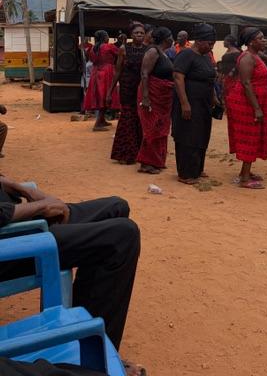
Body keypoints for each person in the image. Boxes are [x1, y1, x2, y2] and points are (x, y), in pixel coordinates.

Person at [0, 176, 141, 373]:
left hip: (18, 218)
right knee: (122, 237)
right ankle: (96, 359)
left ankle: (88, 343)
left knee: (117, 206)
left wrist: (24, 190)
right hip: (12, 238)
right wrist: (40, 207)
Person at [228, 28, 267, 189]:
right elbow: (246, 83)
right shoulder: (247, 57)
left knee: (254, 135)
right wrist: (257, 108)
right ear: (251, 42)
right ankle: (244, 180)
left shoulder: (256, 55)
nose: (264, 40)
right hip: (247, 102)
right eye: (260, 38)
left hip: (255, 100)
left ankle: (244, 172)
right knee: (249, 136)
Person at [172, 24, 217, 184]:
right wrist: (185, 103)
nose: (211, 47)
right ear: (198, 41)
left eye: (213, 44)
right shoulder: (186, 55)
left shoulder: (206, 56)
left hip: (204, 104)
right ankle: (185, 173)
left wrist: (214, 99)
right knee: (188, 136)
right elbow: (178, 77)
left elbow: (209, 79)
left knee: (201, 135)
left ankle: (197, 169)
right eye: (209, 43)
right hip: (190, 103)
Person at [108, 23, 147, 165]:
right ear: (131, 35)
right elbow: (117, 71)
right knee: (127, 119)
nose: (139, 35)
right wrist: (110, 91)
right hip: (127, 88)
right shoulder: (124, 49)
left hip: (140, 89)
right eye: (137, 33)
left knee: (140, 119)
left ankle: (139, 153)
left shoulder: (148, 50)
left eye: (142, 33)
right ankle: (125, 154)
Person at [137, 27, 175, 174]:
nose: (173, 39)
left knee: (160, 128)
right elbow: (144, 73)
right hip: (152, 95)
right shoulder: (153, 51)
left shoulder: (163, 53)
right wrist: (146, 97)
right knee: (152, 128)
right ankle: (146, 163)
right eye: (171, 36)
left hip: (163, 97)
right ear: (166, 38)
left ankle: (157, 160)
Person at [83, 31, 120, 132]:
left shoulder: (92, 49)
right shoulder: (109, 47)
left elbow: (91, 60)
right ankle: (97, 124)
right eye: (107, 36)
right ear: (105, 38)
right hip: (107, 72)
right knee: (105, 97)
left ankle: (102, 120)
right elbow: (120, 54)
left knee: (100, 97)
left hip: (96, 72)